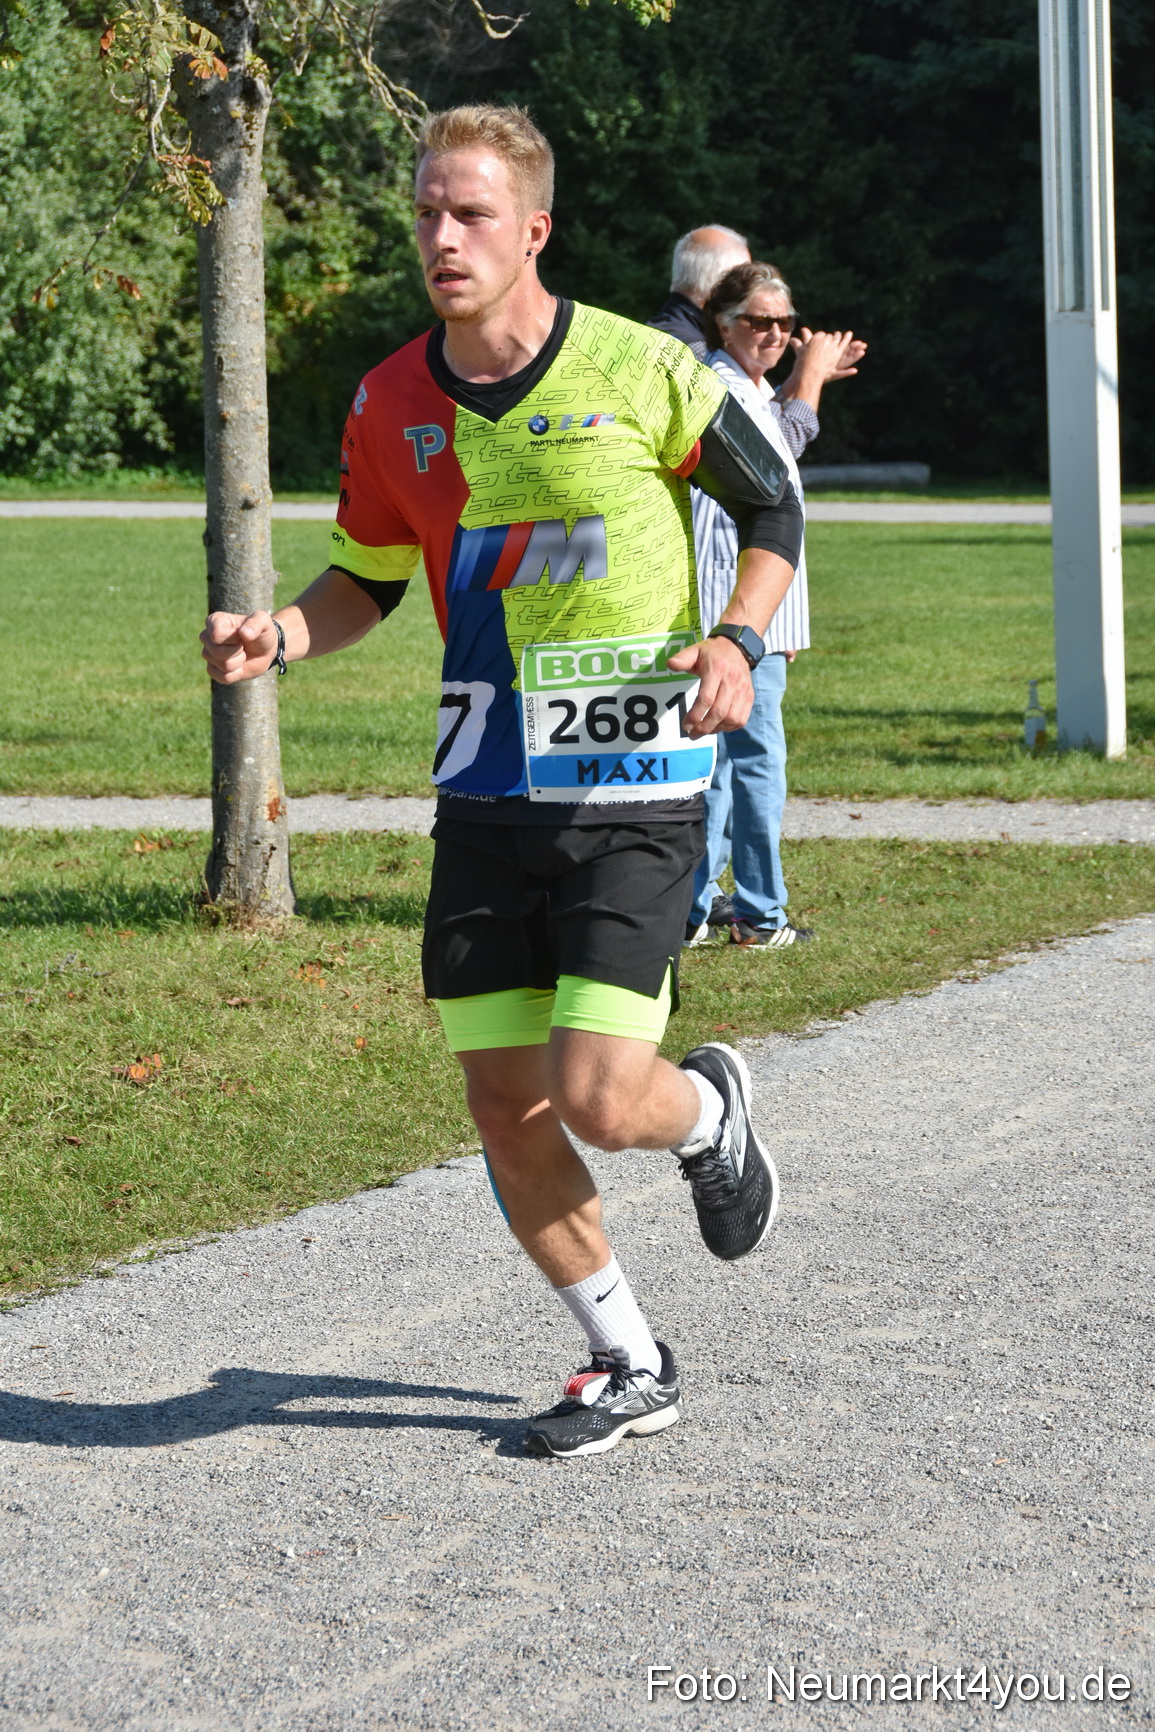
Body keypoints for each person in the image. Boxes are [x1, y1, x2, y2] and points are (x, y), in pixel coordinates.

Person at [201, 106, 804, 1461]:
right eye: (423, 211)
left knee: (598, 1092)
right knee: (500, 1102)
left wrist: (735, 637)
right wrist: (280, 634)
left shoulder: (643, 370)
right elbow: (364, 575)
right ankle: (627, 1356)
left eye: (467, 213)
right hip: (483, 792)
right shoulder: (389, 401)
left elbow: (771, 509)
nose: (439, 237)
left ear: (532, 229)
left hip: (634, 784)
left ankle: (704, 1113)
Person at [686, 260, 860, 947]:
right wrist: (808, 376)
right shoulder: (719, 387)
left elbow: (781, 441)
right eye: (757, 321)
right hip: (735, 613)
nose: (774, 333)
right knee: (753, 766)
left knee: (726, 769)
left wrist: (799, 378)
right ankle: (758, 913)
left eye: (784, 325)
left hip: (748, 614)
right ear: (723, 323)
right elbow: (771, 465)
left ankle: (696, 909)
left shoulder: (746, 388)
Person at [647, 225, 750, 358]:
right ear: (721, 283)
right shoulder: (703, 355)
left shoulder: (649, 333)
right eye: (744, 282)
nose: (748, 293)